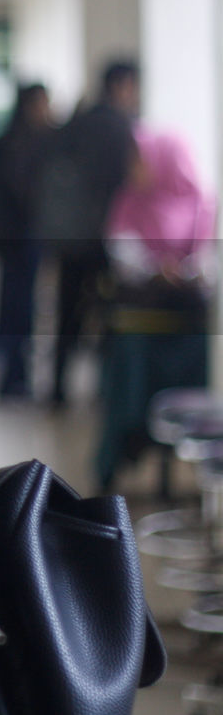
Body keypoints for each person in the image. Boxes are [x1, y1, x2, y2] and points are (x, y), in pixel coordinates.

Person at [96, 124, 215, 492]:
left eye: (140, 159)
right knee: (129, 380)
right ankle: (123, 451)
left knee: (189, 388)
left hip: (185, 324)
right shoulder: (129, 200)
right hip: (140, 323)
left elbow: (210, 262)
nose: (134, 167)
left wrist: (189, 272)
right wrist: (154, 268)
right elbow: (121, 251)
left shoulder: (202, 202)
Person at [36, 60, 139, 408]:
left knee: (67, 314)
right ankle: (105, 390)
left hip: (70, 239)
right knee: (108, 316)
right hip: (102, 239)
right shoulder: (118, 126)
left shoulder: (77, 122)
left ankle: (57, 390)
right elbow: (121, 185)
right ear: (122, 85)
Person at [0, 83, 53, 399]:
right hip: (21, 240)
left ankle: (12, 374)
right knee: (19, 309)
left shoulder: (11, 140)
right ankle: (13, 379)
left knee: (13, 306)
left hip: (13, 241)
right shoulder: (26, 144)